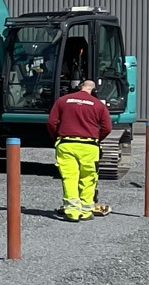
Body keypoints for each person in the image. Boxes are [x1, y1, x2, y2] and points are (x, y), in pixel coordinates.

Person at [46, 77, 114, 220]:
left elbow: (51, 122)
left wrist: (58, 136)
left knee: (69, 177)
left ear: (79, 87)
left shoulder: (63, 100)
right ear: (94, 90)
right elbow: (107, 127)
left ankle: (72, 211)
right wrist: (96, 138)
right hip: (89, 147)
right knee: (88, 178)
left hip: (66, 144)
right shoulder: (98, 104)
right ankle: (86, 211)